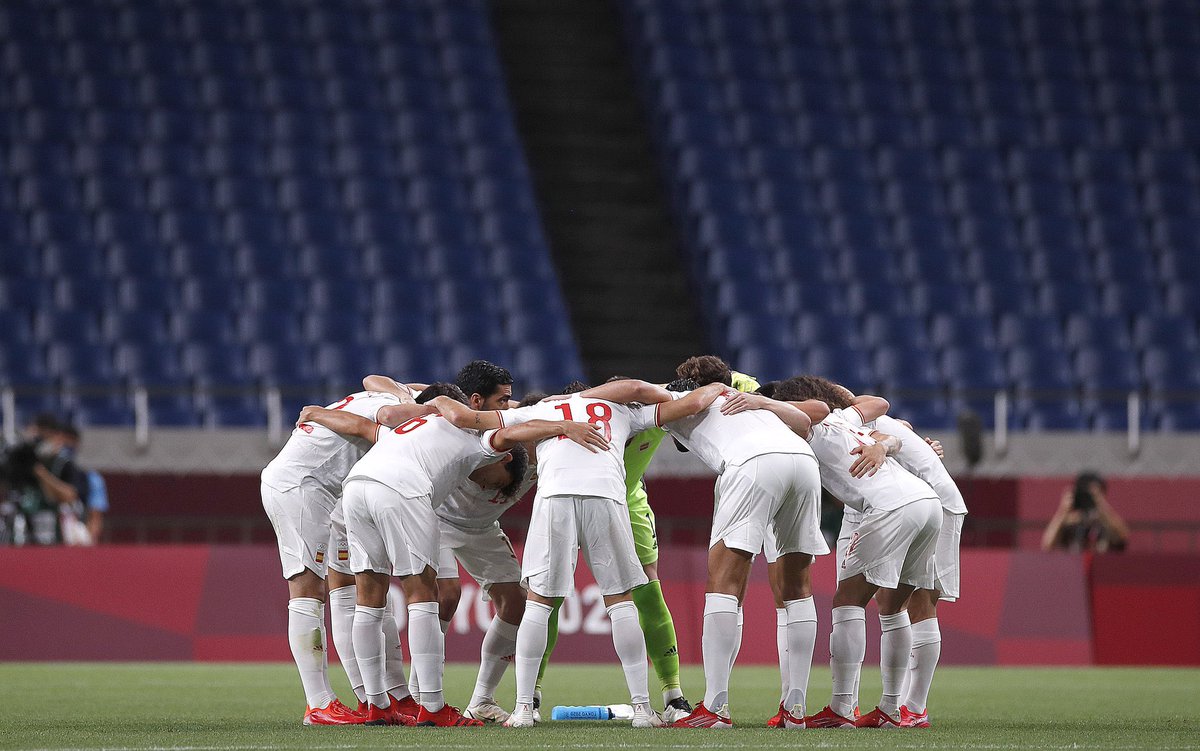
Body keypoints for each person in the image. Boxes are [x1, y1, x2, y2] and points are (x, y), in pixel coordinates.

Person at [304, 383, 605, 728]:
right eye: (500, 481)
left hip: (357, 487)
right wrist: (564, 425)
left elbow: (372, 417)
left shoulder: (422, 422)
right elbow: (515, 431)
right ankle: (431, 707)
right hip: (402, 489)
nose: (494, 489)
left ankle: (376, 706)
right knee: (424, 597)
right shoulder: (480, 439)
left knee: (369, 600)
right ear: (505, 460)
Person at [432, 379, 725, 728]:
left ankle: (524, 708)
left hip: (555, 494)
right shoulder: (624, 411)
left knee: (539, 602)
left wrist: (432, 402)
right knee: (621, 600)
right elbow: (681, 403)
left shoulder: (540, 410)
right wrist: (718, 387)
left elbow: (470, 420)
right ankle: (644, 710)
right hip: (606, 493)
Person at [611, 362, 827, 729]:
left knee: (724, 583)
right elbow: (807, 422)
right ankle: (795, 711)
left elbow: (633, 393)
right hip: (804, 463)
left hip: (751, 464)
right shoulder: (749, 398)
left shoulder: (681, 398)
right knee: (797, 589)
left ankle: (715, 709)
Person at [774, 375, 942, 730]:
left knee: (847, 601)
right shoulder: (845, 418)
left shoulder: (807, 427)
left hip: (891, 507)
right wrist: (842, 400)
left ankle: (841, 707)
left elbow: (813, 411)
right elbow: (879, 403)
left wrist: (766, 403)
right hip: (927, 503)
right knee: (894, 608)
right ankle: (891, 709)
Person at [260, 382, 431, 725]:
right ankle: (319, 703)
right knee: (308, 591)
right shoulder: (401, 409)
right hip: (303, 486)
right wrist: (433, 410)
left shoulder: (393, 392)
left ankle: (376, 697)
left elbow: (373, 377)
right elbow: (383, 417)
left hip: (334, 491)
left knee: (356, 589)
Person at [1042, 471, 1128, 553]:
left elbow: (1121, 537)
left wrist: (1101, 506)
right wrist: (1063, 510)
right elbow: (1048, 545)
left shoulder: (1107, 523)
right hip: (1075, 565)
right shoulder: (1070, 522)